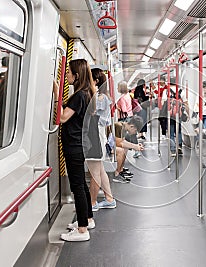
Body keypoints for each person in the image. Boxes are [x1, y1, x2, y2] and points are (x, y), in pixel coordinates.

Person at [53, 59, 95, 241]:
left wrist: (57, 94)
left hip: (74, 146)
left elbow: (62, 117)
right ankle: (87, 219)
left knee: (77, 186)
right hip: (80, 144)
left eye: (69, 72)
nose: (67, 75)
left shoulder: (79, 96)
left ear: (76, 75)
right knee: (82, 185)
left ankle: (82, 230)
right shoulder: (86, 94)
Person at [86, 68, 116, 211]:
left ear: (96, 81)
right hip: (99, 133)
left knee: (95, 171)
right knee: (100, 169)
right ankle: (109, 198)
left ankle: (92, 203)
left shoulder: (100, 98)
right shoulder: (104, 96)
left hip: (96, 134)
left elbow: (90, 113)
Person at [113, 116, 144, 183]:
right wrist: (134, 146)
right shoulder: (119, 127)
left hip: (110, 145)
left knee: (125, 148)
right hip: (104, 146)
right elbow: (119, 143)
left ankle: (120, 170)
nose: (135, 133)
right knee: (121, 151)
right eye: (135, 131)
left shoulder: (123, 128)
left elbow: (122, 142)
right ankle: (116, 174)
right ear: (131, 126)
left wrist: (135, 146)